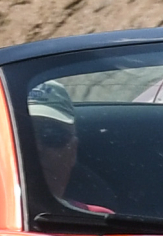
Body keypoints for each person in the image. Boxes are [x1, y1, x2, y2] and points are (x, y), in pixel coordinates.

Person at [28, 82, 116, 212]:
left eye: (52, 136)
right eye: (24, 134)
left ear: (73, 150)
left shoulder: (100, 220)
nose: (38, 148)